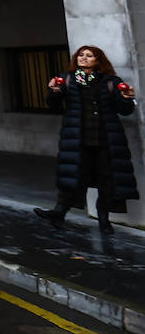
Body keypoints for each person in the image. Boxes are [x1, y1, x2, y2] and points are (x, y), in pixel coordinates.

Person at [35, 45, 140, 235]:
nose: (83, 58)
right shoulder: (67, 79)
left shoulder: (110, 81)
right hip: (77, 139)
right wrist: (54, 91)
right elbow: (52, 104)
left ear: (98, 61)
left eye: (89, 56)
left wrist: (126, 98)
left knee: (106, 180)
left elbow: (124, 110)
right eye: (80, 55)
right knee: (73, 176)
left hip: (106, 139)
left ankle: (104, 220)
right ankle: (58, 213)